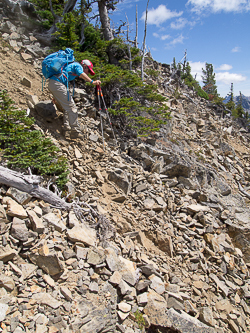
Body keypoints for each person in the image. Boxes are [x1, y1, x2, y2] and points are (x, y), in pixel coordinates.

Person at [48, 59, 101, 139]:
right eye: (88, 70)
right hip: (57, 84)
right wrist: (92, 82)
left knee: (68, 107)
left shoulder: (71, 67)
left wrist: (56, 96)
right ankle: (75, 130)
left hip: (54, 83)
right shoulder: (77, 66)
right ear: (84, 66)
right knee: (72, 107)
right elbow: (82, 73)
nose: (88, 73)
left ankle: (67, 129)